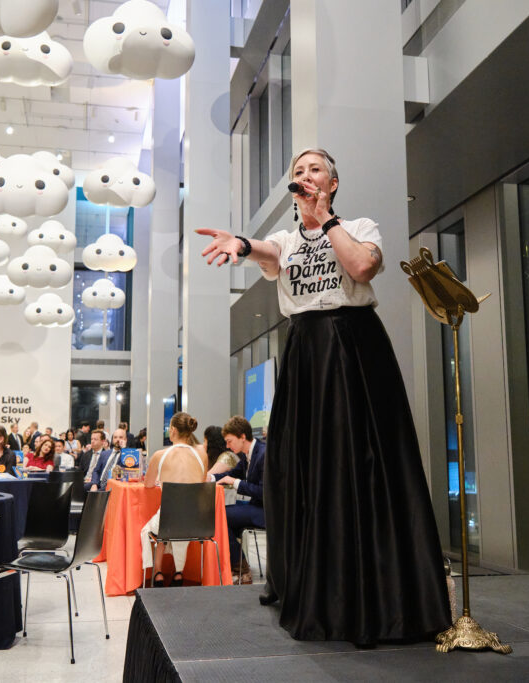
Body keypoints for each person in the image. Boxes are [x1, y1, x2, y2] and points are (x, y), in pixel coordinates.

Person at [197, 148, 452, 645]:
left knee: (364, 462)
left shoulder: (359, 226)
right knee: (304, 466)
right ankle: (311, 585)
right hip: (307, 353)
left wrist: (326, 219)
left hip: (354, 348)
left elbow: (361, 268)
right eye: (298, 170)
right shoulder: (286, 240)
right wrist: (242, 244)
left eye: (314, 169)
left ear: (332, 182)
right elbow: (266, 251)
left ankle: (377, 594)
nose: (305, 175)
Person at [141, 412, 208, 587]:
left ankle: (157, 572)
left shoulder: (160, 455)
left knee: (156, 527)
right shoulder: (202, 455)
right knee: (179, 522)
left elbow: (148, 484)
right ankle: (179, 573)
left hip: (169, 520)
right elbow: (201, 486)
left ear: (173, 430)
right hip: (197, 522)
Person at [212, 416, 265, 584]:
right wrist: (209, 478)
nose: (227, 446)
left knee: (218, 516)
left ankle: (240, 568)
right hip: (255, 507)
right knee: (221, 516)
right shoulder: (247, 455)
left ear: (242, 437)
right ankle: (239, 567)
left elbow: (264, 492)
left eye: (229, 441)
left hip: (267, 512)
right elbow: (230, 475)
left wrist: (235, 483)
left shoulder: (263, 454)